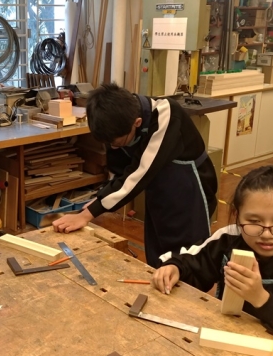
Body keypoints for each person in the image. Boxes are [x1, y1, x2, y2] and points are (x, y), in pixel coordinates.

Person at [153, 165, 273, 351]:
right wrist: (174, 268)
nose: (266, 234)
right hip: (224, 341)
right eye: (254, 221)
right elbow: (191, 263)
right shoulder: (228, 238)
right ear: (237, 214)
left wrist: (261, 299)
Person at [52, 83, 218, 267]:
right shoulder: (113, 122)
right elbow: (121, 171)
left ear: (137, 123)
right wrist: (100, 199)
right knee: (157, 249)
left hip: (190, 188)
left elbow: (140, 172)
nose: (113, 147)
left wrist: (86, 215)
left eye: (117, 143)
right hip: (160, 185)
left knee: (187, 254)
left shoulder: (165, 114)